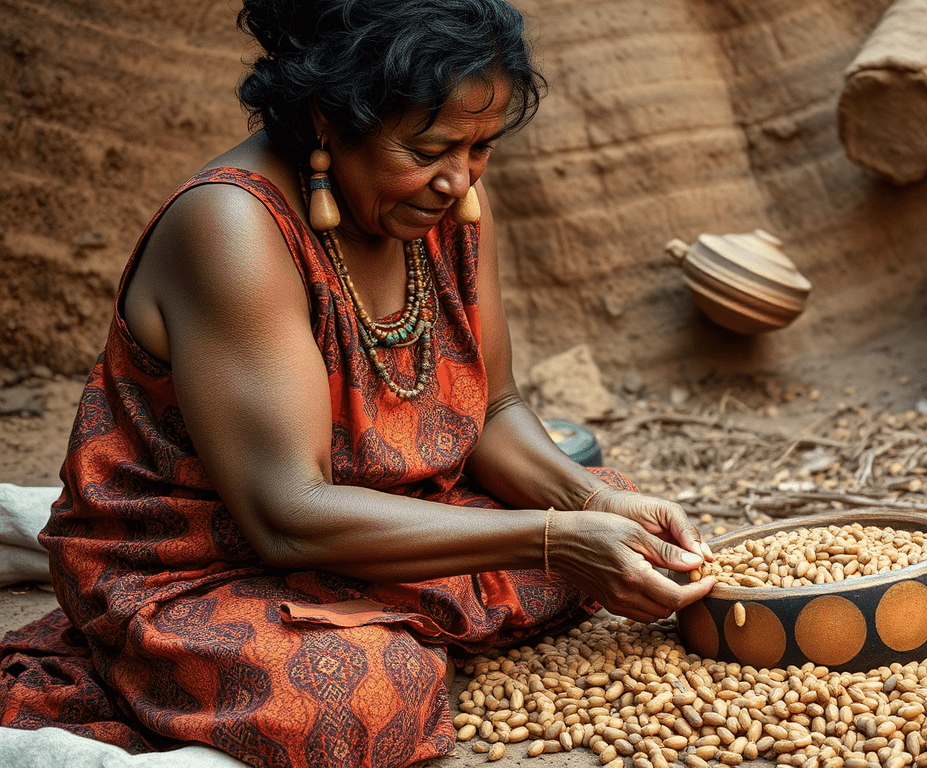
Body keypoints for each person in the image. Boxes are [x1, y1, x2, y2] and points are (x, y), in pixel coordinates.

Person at [0, 1, 715, 765]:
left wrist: (591, 505)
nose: (458, 179)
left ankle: (376, 606)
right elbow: (286, 515)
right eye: (431, 147)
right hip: (210, 556)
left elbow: (495, 409)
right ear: (326, 119)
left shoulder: (450, 204)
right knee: (369, 695)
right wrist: (550, 538)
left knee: (617, 528)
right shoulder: (232, 228)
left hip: (376, 515)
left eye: (482, 148)